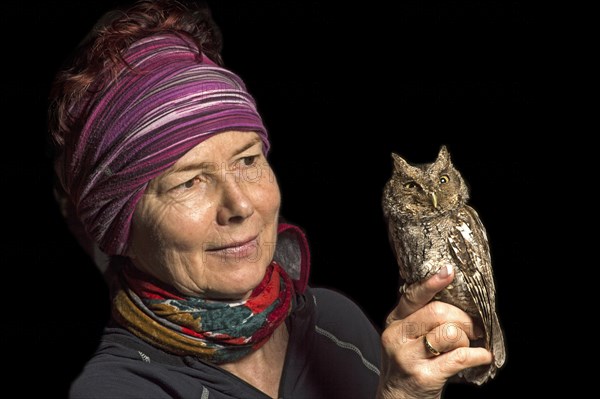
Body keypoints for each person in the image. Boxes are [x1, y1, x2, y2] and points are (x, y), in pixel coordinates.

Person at [48, 1, 493, 398]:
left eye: (247, 161)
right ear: (119, 227)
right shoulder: (119, 388)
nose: (241, 206)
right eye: (188, 182)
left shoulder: (337, 325)